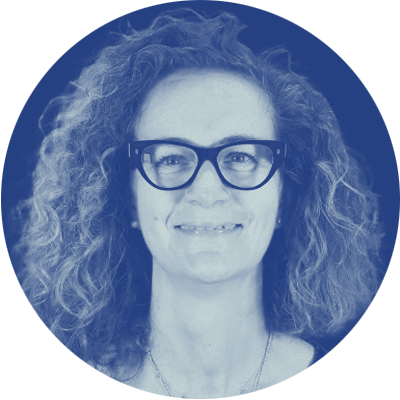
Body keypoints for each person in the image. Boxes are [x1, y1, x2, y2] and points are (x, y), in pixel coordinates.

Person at [12, 7, 384, 400]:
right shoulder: (48, 386)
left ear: (285, 196)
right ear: (127, 196)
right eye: (171, 158)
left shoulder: (364, 392)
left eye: (240, 156)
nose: (206, 190)